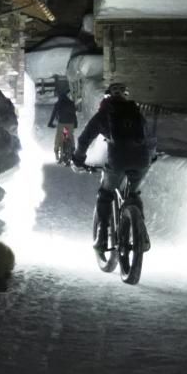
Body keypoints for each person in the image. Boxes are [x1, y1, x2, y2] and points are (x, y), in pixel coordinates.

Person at [74, 81, 154, 250]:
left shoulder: (105, 113)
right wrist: (150, 157)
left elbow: (84, 138)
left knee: (105, 194)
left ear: (107, 97)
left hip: (118, 160)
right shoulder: (135, 112)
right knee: (133, 193)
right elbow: (149, 137)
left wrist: (79, 158)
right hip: (141, 160)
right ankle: (142, 235)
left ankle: (102, 236)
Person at [47, 80, 79, 162]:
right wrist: (75, 123)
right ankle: (72, 148)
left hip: (62, 123)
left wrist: (50, 123)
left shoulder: (58, 103)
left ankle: (57, 152)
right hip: (70, 123)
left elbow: (53, 114)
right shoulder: (71, 103)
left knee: (58, 137)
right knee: (70, 135)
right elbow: (74, 113)